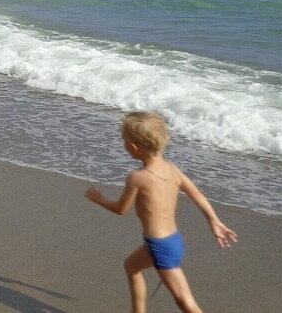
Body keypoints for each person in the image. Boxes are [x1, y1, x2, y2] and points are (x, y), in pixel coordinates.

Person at [85, 111, 237, 313]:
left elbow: (121, 209)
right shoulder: (172, 169)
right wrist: (214, 221)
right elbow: (197, 195)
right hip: (172, 240)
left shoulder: (137, 178)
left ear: (133, 147)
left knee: (185, 301)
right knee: (131, 267)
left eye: (124, 140)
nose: (124, 144)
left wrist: (99, 199)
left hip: (160, 247)